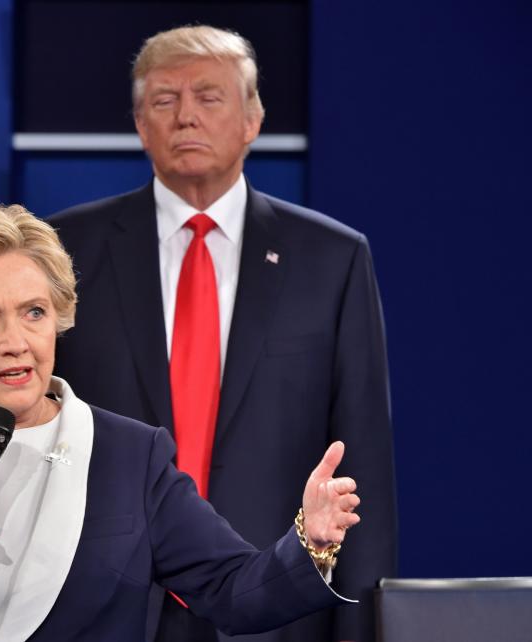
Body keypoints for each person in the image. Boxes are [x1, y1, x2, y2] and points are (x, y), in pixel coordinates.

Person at [0, 201, 362, 642]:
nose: (16, 343)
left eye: (33, 313)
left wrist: (308, 543)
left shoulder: (129, 455)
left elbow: (234, 593)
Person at [47, 25, 397, 642]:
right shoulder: (65, 251)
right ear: (138, 122)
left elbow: (361, 458)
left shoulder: (331, 259)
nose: (186, 117)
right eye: (164, 100)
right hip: (106, 610)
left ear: (252, 119)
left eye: (208, 97)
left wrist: (361, 624)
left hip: (280, 607)